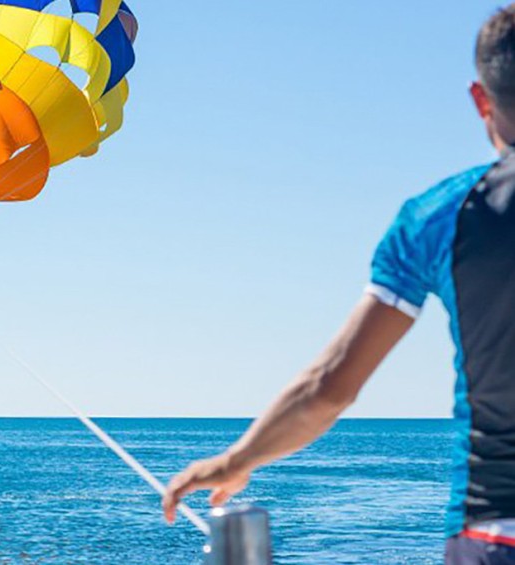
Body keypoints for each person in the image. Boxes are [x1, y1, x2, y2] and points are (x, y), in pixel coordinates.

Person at [162, 6, 515, 563]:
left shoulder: (439, 217)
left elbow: (330, 387)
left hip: (494, 532)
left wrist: (237, 461)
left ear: (480, 100)